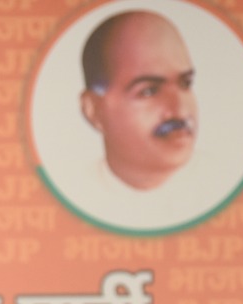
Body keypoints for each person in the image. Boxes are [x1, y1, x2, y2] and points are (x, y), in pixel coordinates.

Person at [79, 10, 197, 192]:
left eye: (185, 83)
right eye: (150, 91)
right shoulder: (79, 190)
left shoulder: (223, 181)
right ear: (93, 110)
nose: (180, 110)